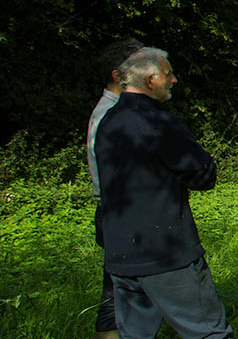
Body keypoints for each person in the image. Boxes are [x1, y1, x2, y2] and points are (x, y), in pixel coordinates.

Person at [94, 47, 233, 339]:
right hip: (165, 254)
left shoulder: (108, 121)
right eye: (168, 75)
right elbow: (202, 174)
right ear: (149, 80)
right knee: (207, 332)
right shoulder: (159, 123)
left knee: (135, 335)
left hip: (121, 255)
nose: (174, 81)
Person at [86, 38, 143, 339]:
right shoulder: (110, 118)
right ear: (117, 76)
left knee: (123, 290)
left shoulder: (119, 112)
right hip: (123, 214)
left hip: (124, 214)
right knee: (118, 292)